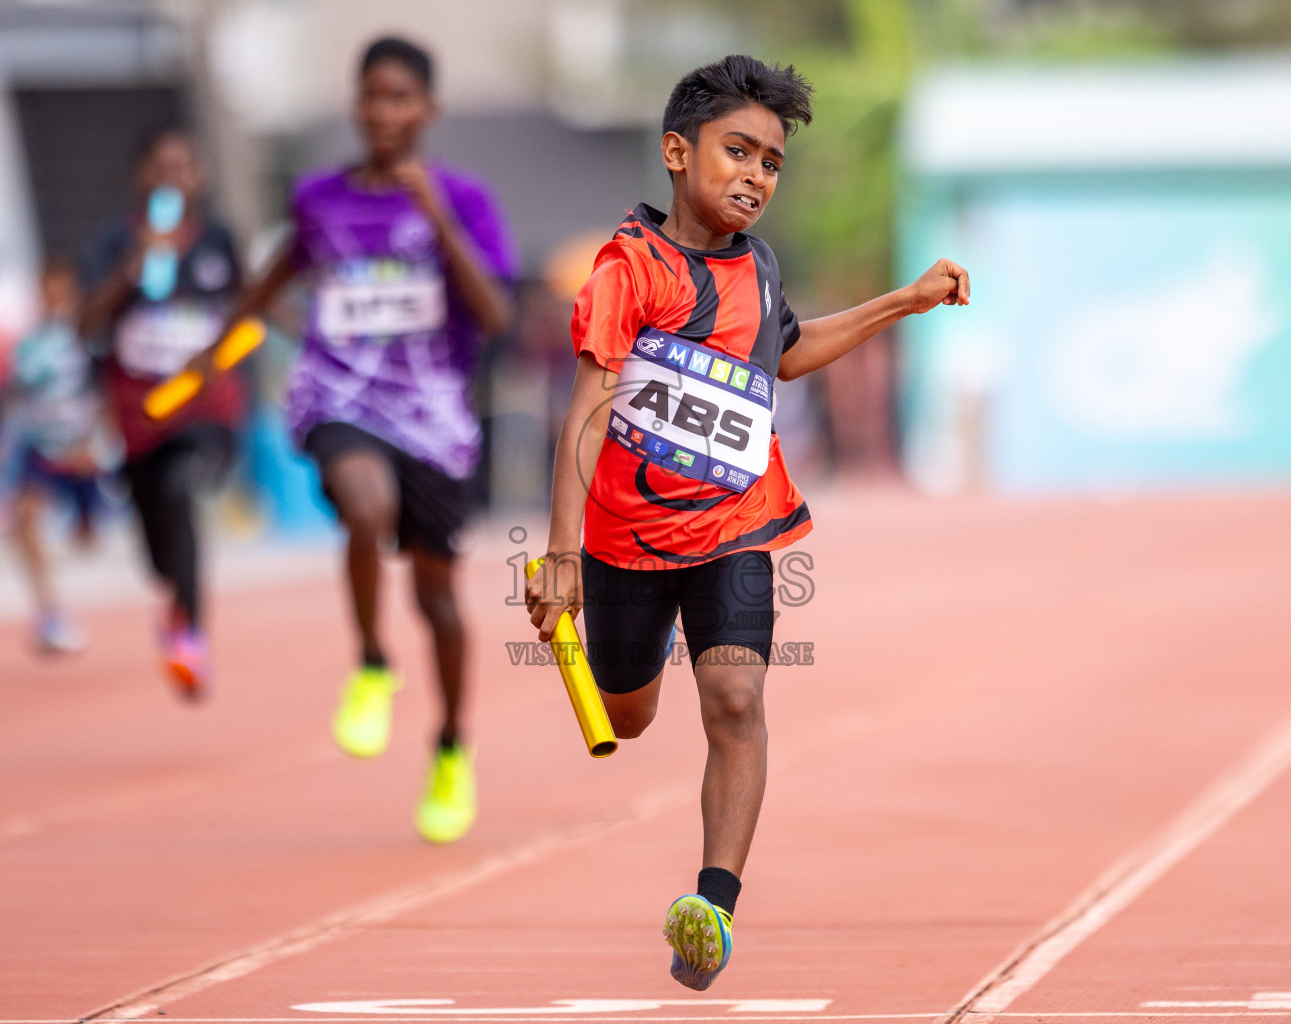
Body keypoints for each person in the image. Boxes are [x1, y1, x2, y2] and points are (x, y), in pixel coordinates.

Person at [524, 55, 969, 990]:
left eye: (772, 162)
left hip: (738, 526)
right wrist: (560, 556)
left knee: (735, 701)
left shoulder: (760, 268)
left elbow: (790, 352)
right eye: (739, 152)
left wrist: (904, 299)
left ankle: (711, 909)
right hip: (624, 543)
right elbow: (589, 410)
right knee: (631, 715)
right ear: (678, 153)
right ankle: (623, 677)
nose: (757, 177)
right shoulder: (629, 270)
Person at [187, 37, 516, 843]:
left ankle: (450, 747)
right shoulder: (319, 201)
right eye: (372, 96)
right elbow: (267, 290)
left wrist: (433, 214)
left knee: (438, 600)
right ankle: (371, 663)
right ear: (356, 103)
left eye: (401, 97)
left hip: (434, 416)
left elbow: (497, 315)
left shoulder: (465, 199)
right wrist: (212, 358)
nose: (384, 112)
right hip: (340, 397)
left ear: (428, 110)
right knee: (363, 507)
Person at [80, 126, 245, 700]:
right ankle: (175, 600)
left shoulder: (219, 241)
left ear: (200, 177)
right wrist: (135, 265)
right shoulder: (114, 242)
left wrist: (218, 359)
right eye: (161, 167)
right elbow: (86, 323)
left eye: (184, 166)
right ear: (141, 177)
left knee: (181, 488)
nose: (173, 177)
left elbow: (250, 320)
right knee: (157, 550)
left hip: (205, 409)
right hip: (138, 417)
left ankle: (190, 636)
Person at [0, 258, 115, 654]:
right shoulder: (27, 347)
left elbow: (106, 394)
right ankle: (49, 610)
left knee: (89, 538)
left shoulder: (88, 341)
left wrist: (98, 442)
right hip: (39, 446)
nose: (53, 300)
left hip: (81, 450)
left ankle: (81, 591)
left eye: (61, 292)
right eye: (46, 292)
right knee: (23, 521)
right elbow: (12, 392)